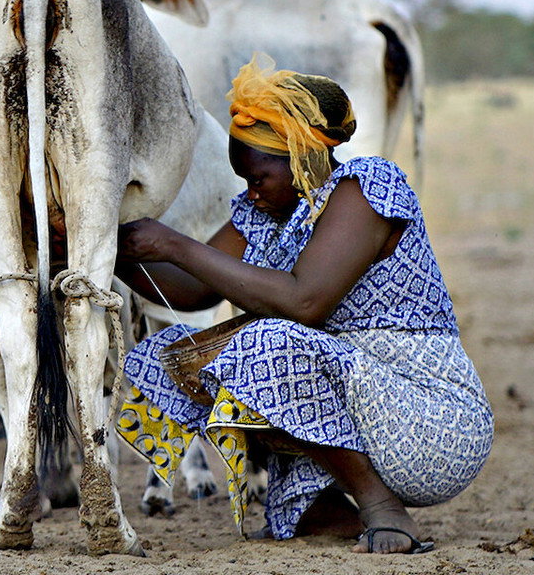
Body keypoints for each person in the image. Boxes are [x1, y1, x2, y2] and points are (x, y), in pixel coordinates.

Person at [114, 55, 491, 555]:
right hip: (355, 401)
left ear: (300, 156)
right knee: (175, 354)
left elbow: (305, 301)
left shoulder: (365, 189)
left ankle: (382, 506)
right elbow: (192, 290)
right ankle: (324, 506)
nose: (251, 192)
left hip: (427, 418)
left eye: (259, 177)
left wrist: (173, 243)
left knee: (265, 341)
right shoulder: (267, 210)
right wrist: (101, 243)